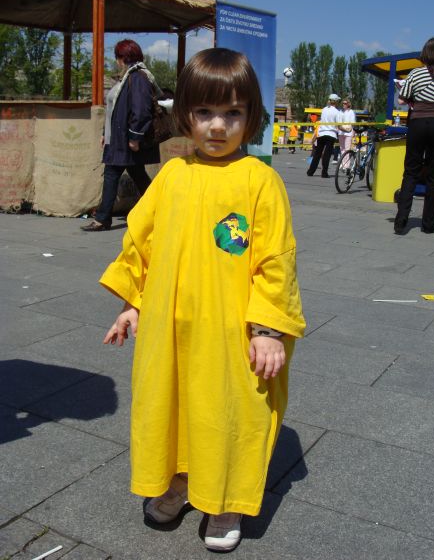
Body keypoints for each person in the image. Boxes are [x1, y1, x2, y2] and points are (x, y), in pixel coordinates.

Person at [100, 48, 305, 553]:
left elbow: (276, 259)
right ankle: (180, 481)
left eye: (232, 112)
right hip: (172, 326)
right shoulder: (173, 175)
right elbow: (141, 240)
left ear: (251, 116)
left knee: (229, 411)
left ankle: (225, 499)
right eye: (205, 112)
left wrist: (268, 329)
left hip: (232, 330)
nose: (217, 126)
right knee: (173, 404)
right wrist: (132, 302)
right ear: (186, 115)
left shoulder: (260, 180)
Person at [81, 39, 161, 232]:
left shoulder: (138, 77)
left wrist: (135, 137)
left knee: (112, 175)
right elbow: (114, 110)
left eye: (117, 57)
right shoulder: (127, 77)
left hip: (125, 140)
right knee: (137, 175)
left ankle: (103, 219)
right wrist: (105, 133)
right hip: (117, 139)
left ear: (123, 57)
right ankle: (159, 209)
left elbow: (141, 110)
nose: (116, 61)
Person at [394, 37, 434, 235]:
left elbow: (402, 99)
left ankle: (401, 222)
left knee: (411, 171)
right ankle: (428, 225)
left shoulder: (415, 73)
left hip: (417, 123)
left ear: (425, 53)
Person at [307, 93, 340, 177]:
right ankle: (324, 173)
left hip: (321, 133)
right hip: (331, 134)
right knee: (327, 155)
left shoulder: (324, 109)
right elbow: (338, 125)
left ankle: (310, 171)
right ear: (336, 101)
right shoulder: (337, 112)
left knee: (317, 153)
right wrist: (347, 129)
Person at [338, 98, 356, 166]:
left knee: (347, 149)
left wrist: (353, 131)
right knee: (342, 149)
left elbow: (353, 123)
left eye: (345, 103)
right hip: (340, 132)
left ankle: (346, 165)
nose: (343, 104)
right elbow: (338, 121)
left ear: (348, 104)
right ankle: (342, 163)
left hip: (348, 132)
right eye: (343, 103)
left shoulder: (351, 112)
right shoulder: (340, 111)